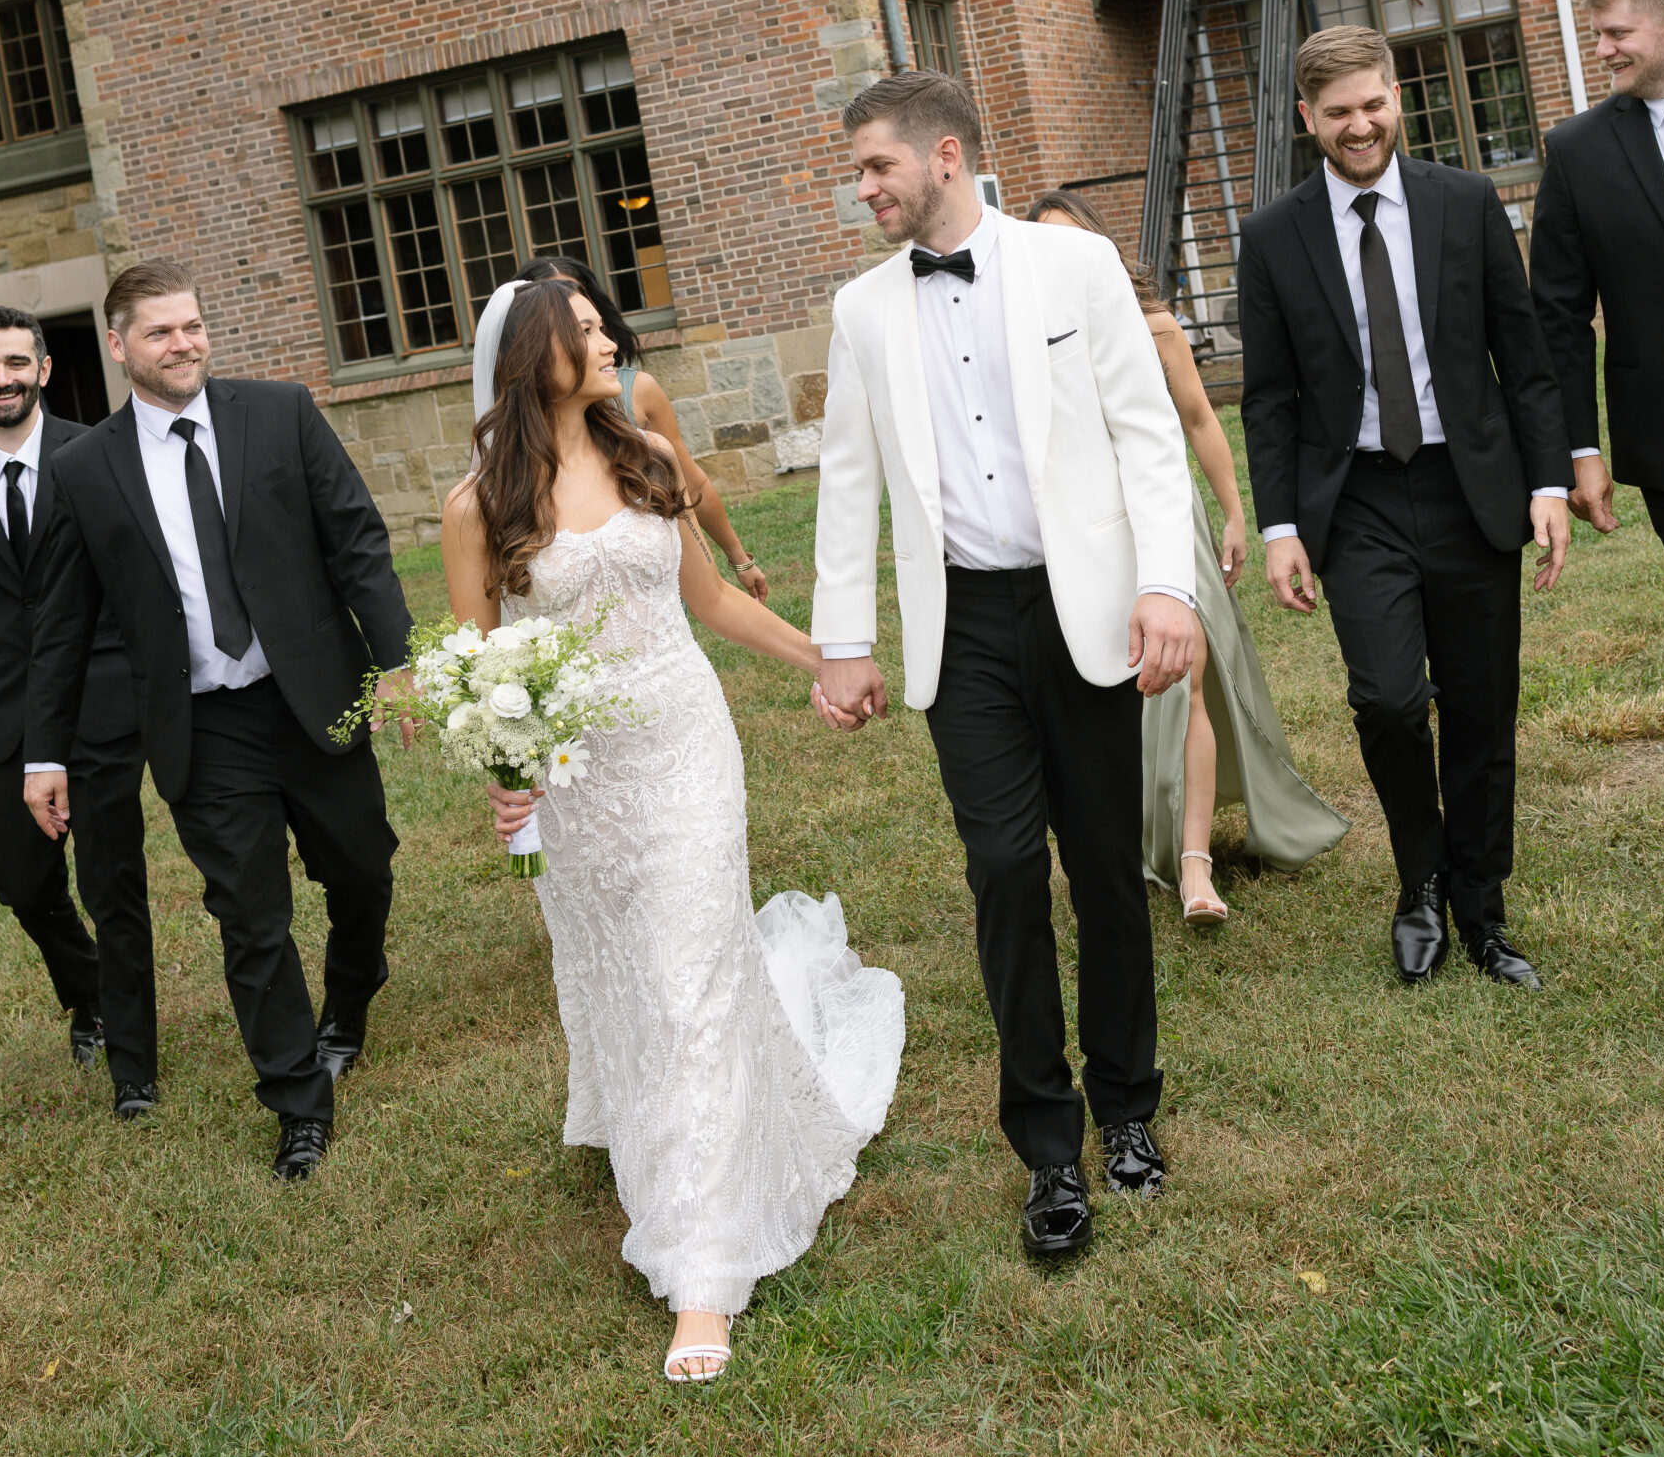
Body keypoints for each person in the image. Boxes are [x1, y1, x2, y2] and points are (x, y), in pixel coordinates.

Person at [452, 278, 901, 1384]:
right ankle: (664, 1133)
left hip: (687, 746)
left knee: (690, 977)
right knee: (635, 986)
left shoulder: (646, 453)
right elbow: (478, 666)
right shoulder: (479, 506)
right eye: (586, 332)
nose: (610, 341)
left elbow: (714, 603)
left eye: (604, 328)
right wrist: (506, 782)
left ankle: (702, 1273)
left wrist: (826, 662)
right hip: (580, 781)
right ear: (535, 356)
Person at [811, 73, 1196, 1262]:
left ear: (943, 155)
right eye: (858, 172)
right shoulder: (862, 310)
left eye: (876, 166)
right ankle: (1046, 1146)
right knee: (1003, 870)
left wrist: (1167, 584)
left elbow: (1147, 431)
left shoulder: (1074, 266)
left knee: (1105, 867)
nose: (864, 190)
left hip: (1086, 608)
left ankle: (1127, 1106)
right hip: (963, 626)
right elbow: (847, 480)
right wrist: (843, 640)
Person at [24, 259, 414, 1180]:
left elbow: (355, 537)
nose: (184, 344)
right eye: (160, 332)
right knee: (249, 914)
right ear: (117, 345)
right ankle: (297, 1102)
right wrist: (45, 753)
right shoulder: (84, 469)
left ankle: (351, 995)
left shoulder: (280, 412)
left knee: (361, 869)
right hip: (201, 726)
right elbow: (62, 625)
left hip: (312, 693)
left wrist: (396, 660)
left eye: (192, 325)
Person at [1236, 26, 1572, 991]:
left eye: (1373, 104)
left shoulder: (1464, 202)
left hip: (1469, 488)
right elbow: (1268, 399)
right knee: (1387, 700)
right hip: (1357, 499)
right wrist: (1278, 527)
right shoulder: (1273, 235)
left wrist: (1546, 484)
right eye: (1337, 112)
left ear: (1396, 98)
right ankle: (1418, 881)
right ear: (1307, 118)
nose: (1359, 126)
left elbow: (1524, 358)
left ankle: (1481, 907)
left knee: (1479, 706)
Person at [1024, 197, 1348, 920]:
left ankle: (1196, 865)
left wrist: (1232, 512)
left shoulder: (1154, 326)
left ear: (1100, 248)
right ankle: (1127, 838)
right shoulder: (1020, 339)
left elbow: (1199, 418)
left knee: (1186, 681)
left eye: (1072, 242)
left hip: (1167, 526)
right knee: (1105, 691)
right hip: (1080, 539)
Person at [0, 307, 149, 1099]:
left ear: (42, 368)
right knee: (18, 879)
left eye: (15, 362)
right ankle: (88, 989)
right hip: (3, 709)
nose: (1, 378)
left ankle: (130, 1049)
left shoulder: (97, 452)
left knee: (112, 878)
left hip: (98, 700)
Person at [474, 254, 769, 599]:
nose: (605, 344)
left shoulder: (638, 398)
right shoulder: (489, 486)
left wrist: (738, 557)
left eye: (589, 322)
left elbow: (690, 483)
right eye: (579, 328)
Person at [1531, 0, 1664, 562]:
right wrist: (1581, 450)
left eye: (1617, 33)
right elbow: (1558, 317)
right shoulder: (1576, 152)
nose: (1601, 50)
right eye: (1597, 35)